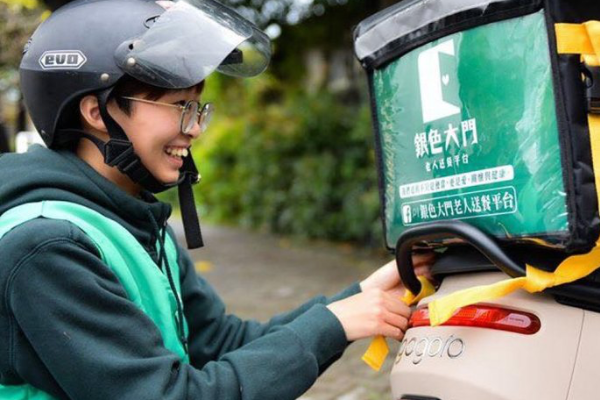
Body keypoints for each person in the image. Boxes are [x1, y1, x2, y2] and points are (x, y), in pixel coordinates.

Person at [0, 0, 434, 399]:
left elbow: (221, 344)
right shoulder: (46, 246)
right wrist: (333, 324)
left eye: (199, 108)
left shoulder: (134, 222)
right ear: (96, 113)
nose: (195, 129)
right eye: (179, 106)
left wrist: (352, 300)